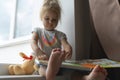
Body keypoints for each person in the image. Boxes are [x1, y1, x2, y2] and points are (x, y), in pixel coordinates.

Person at [31, 0, 72, 76]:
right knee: (41, 68)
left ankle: (87, 78)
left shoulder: (60, 35)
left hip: (57, 64)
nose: (50, 22)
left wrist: (68, 50)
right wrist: (37, 50)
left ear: (58, 20)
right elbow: (33, 41)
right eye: (47, 18)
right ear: (41, 17)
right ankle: (48, 73)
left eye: (54, 20)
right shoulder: (38, 31)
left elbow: (66, 45)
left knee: (70, 72)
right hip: (43, 62)